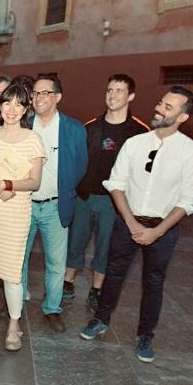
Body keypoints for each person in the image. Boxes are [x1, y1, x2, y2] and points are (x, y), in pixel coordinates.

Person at [80, 86, 193, 363]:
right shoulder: (135, 143)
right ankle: (100, 319)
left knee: (154, 282)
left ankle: (145, 334)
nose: (159, 108)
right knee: (113, 273)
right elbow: (116, 183)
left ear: (183, 117)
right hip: (128, 220)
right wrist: (131, 222)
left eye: (169, 107)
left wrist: (156, 231)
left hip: (164, 228)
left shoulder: (191, 152)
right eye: (161, 102)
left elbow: (188, 200)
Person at [0, 85, 46, 351]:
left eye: (18, 105)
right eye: (7, 104)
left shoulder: (33, 139)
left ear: (26, 109)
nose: (12, 110)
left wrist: (7, 184)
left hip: (14, 213)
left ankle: (14, 324)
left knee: (11, 272)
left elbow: (34, 182)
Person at [64, 74, 149, 312]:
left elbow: (143, 172)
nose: (113, 95)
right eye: (110, 90)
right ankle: (67, 283)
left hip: (114, 203)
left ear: (131, 96)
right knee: (75, 242)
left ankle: (96, 290)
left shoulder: (140, 132)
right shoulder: (90, 127)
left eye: (119, 91)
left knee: (105, 247)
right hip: (85, 197)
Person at [21, 73, 87, 333]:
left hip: (55, 206)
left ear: (58, 97)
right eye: (35, 93)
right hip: (24, 204)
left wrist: (64, 188)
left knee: (56, 264)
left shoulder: (73, 129)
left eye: (44, 93)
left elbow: (80, 167)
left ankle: (52, 308)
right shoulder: (24, 125)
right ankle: (16, 301)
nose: (38, 98)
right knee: (19, 258)